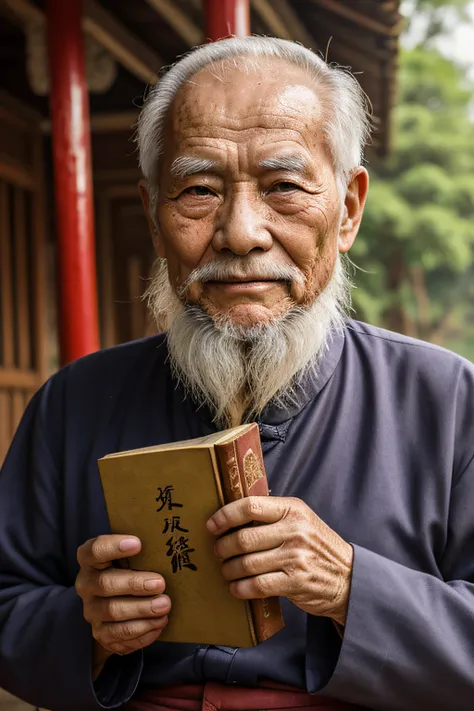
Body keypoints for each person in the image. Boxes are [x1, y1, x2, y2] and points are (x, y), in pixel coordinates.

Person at [1, 36, 474, 711]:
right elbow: (7, 599)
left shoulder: (449, 401)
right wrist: (89, 627)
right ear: (156, 220)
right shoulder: (73, 404)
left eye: (284, 186)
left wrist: (350, 586)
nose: (241, 232)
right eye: (198, 189)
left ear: (348, 209)